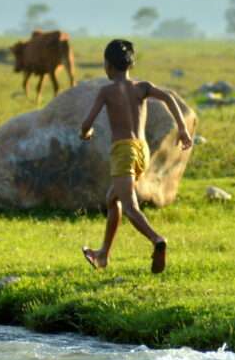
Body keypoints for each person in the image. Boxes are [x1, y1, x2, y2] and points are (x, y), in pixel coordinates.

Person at [80, 39, 192, 273]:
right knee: (113, 199)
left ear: (108, 66)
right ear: (130, 64)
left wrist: (87, 132)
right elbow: (170, 97)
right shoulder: (142, 86)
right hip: (142, 150)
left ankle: (157, 240)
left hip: (123, 150)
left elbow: (86, 123)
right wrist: (182, 128)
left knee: (130, 207)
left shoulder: (106, 91)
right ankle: (102, 256)